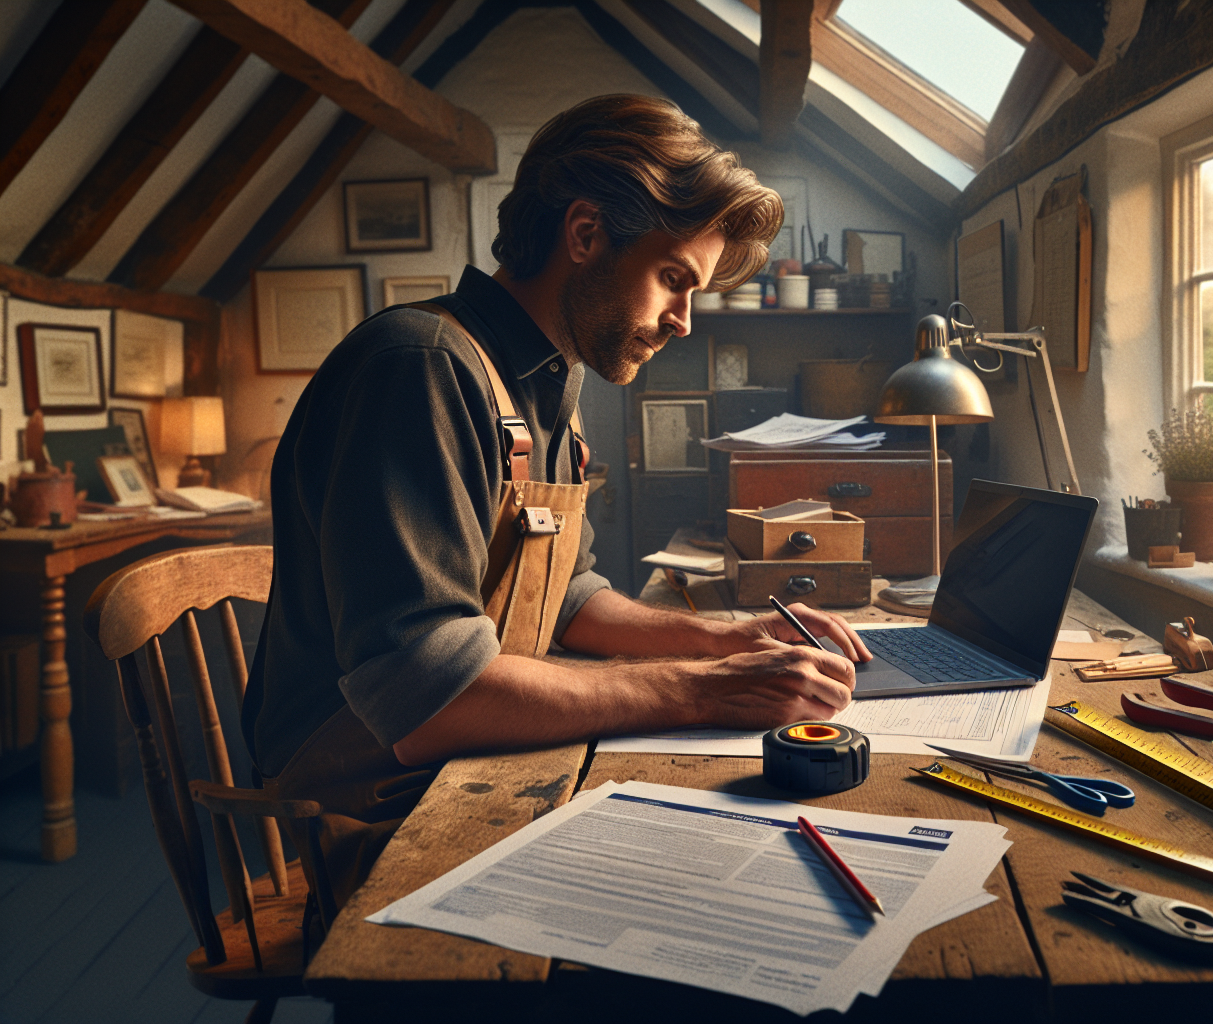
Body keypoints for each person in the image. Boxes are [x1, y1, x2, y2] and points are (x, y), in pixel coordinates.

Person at [242, 95, 871, 902]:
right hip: (365, 799)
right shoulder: (421, 368)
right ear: (585, 235)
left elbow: (566, 597)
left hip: (471, 757)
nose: (683, 321)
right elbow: (423, 693)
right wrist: (704, 689)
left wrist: (727, 638)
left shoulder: (546, 386)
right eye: (673, 279)